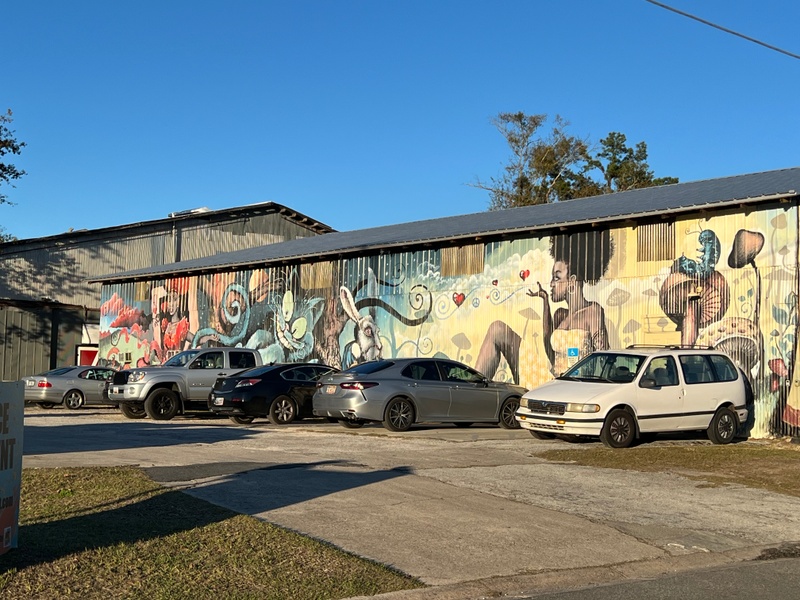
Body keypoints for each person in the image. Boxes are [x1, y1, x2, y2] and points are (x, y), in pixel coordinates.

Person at [476, 230, 613, 382]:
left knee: (497, 328)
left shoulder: (592, 311)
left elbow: (604, 357)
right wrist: (545, 302)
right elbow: (550, 352)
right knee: (497, 328)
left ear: (572, 281)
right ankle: (470, 388)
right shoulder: (561, 314)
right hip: (551, 381)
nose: (551, 284)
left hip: (577, 385)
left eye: (556, 277)